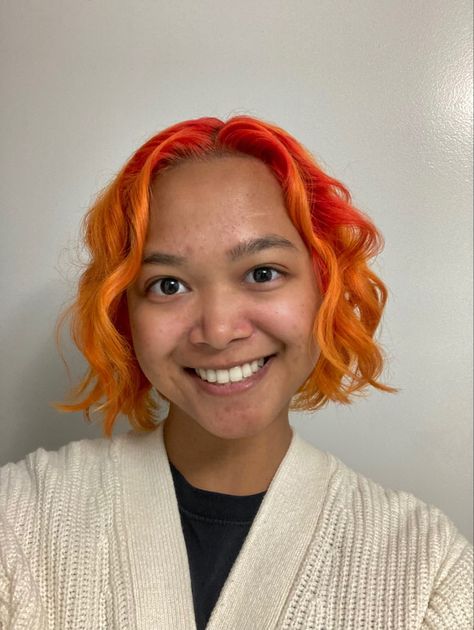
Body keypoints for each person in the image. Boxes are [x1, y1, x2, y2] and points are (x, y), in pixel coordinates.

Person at [0, 116, 472, 629]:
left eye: (262, 273)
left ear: (324, 290)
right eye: (167, 285)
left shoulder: (428, 571)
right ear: (124, 313)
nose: (219, 330)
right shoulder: (21, 519)